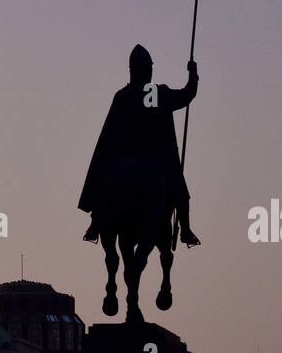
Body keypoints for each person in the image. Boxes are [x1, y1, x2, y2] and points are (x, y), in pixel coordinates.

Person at [79, 44, 200, 246]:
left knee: (105, 181)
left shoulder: (123, 95)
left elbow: (109, 134)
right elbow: (187, 95)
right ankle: (185, 230)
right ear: (146, 69)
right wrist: (193, 74)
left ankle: (96, 223)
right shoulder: (151, 93)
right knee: (179, 190)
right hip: (152, 158)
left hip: (123, 158)